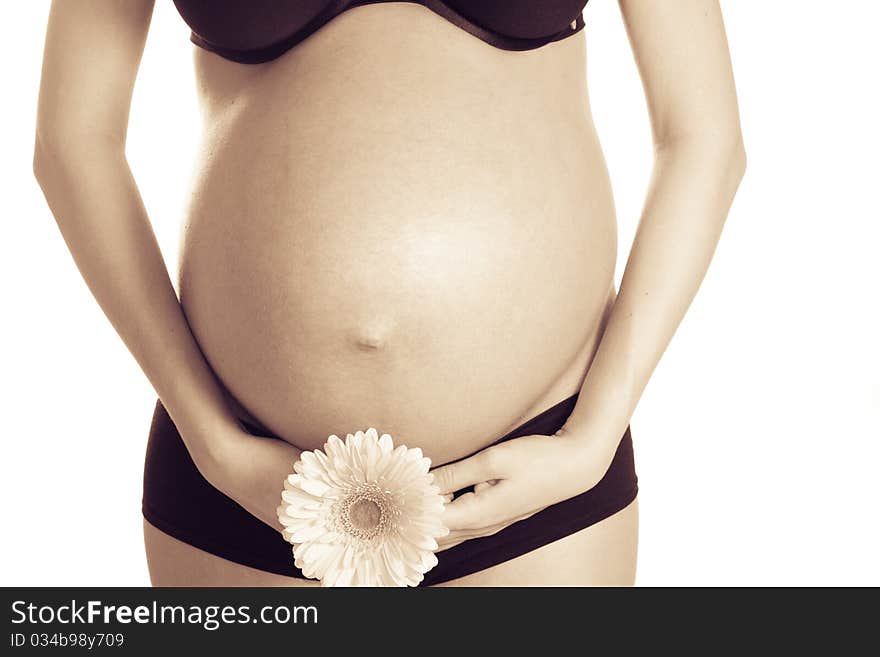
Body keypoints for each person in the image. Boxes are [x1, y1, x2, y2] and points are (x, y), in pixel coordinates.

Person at [34, 0, 745, 586]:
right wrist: (214, 442)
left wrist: (591, 438)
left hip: (540, 466)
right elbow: (74, 139)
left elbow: (703, 136)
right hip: (242, 472)